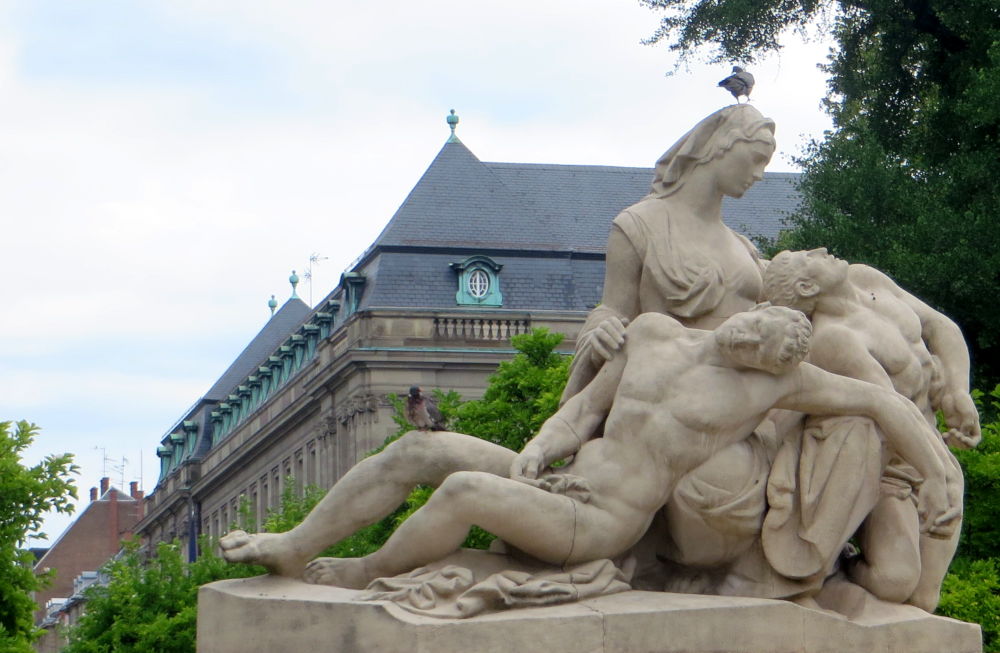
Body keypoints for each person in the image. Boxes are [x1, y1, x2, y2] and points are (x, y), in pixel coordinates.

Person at [220, 306, 955, 591]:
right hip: (560, 479)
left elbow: (878, 400)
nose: (746, 339)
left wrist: (936, 470)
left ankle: (365, 570)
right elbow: (583, 410)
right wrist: (541, 445)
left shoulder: (768, 388)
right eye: (753, 325)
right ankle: (296, 543)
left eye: (762, 348)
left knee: (463, 493)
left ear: (772, 364)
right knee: (420, 449)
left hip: (600, 522)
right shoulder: (657, 332)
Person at [762, 248, 977, 611]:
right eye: (808, 257)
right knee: (896, 583)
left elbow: (942, 327)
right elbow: (892, 409)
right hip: (889, 471)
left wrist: (957, 389)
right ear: (806, 285)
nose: (820, 249)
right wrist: (939, 475)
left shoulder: (868, 279)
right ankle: (836, 567)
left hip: (928, 454)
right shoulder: (833, 339)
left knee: (925, 598)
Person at [563, 103, 775, 400]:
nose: (760, 174)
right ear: (722, 144)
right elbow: (612, 312)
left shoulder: (744, 248)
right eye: (756, 159)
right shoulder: (640, 226)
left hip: (749, 406)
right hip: (670, 401)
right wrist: (601, 331)